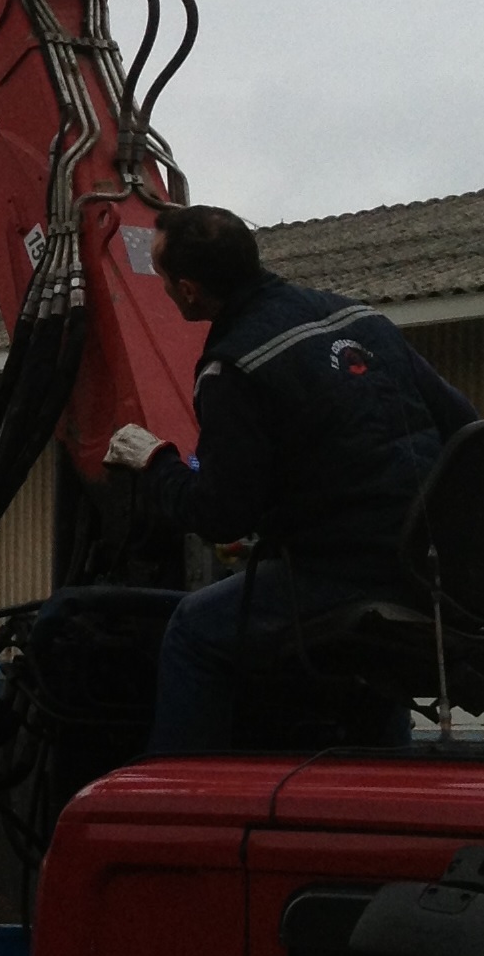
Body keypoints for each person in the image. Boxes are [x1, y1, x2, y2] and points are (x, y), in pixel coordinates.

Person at [105, 203, 478, 754]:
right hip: (432, 572)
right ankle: (379, 770)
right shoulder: (363, 320)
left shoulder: (232, 368)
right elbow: (463, 425)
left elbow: (219, 515)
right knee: (369, 663)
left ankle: (180, 799)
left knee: (192, 631)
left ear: (188, 290)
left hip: (346, 575)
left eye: (161, 278)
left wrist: (156, 462)